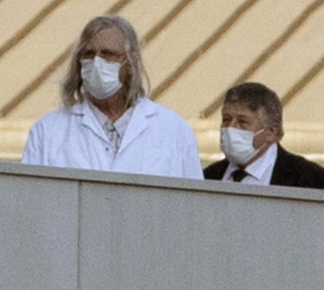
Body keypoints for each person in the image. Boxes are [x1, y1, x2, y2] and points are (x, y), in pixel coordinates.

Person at [21, 15, 202, 179]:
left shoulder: (173, 130)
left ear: (130, 63)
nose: (97, 63)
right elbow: (30, 203)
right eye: (89, 55)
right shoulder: (47, 132)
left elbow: (195, 204)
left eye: (108, 55)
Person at [203, 82, 324, 189]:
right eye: (226, 119)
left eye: (242, 122)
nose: (231, 127)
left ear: (270, 132)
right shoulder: (207, 177)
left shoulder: (310, 179)